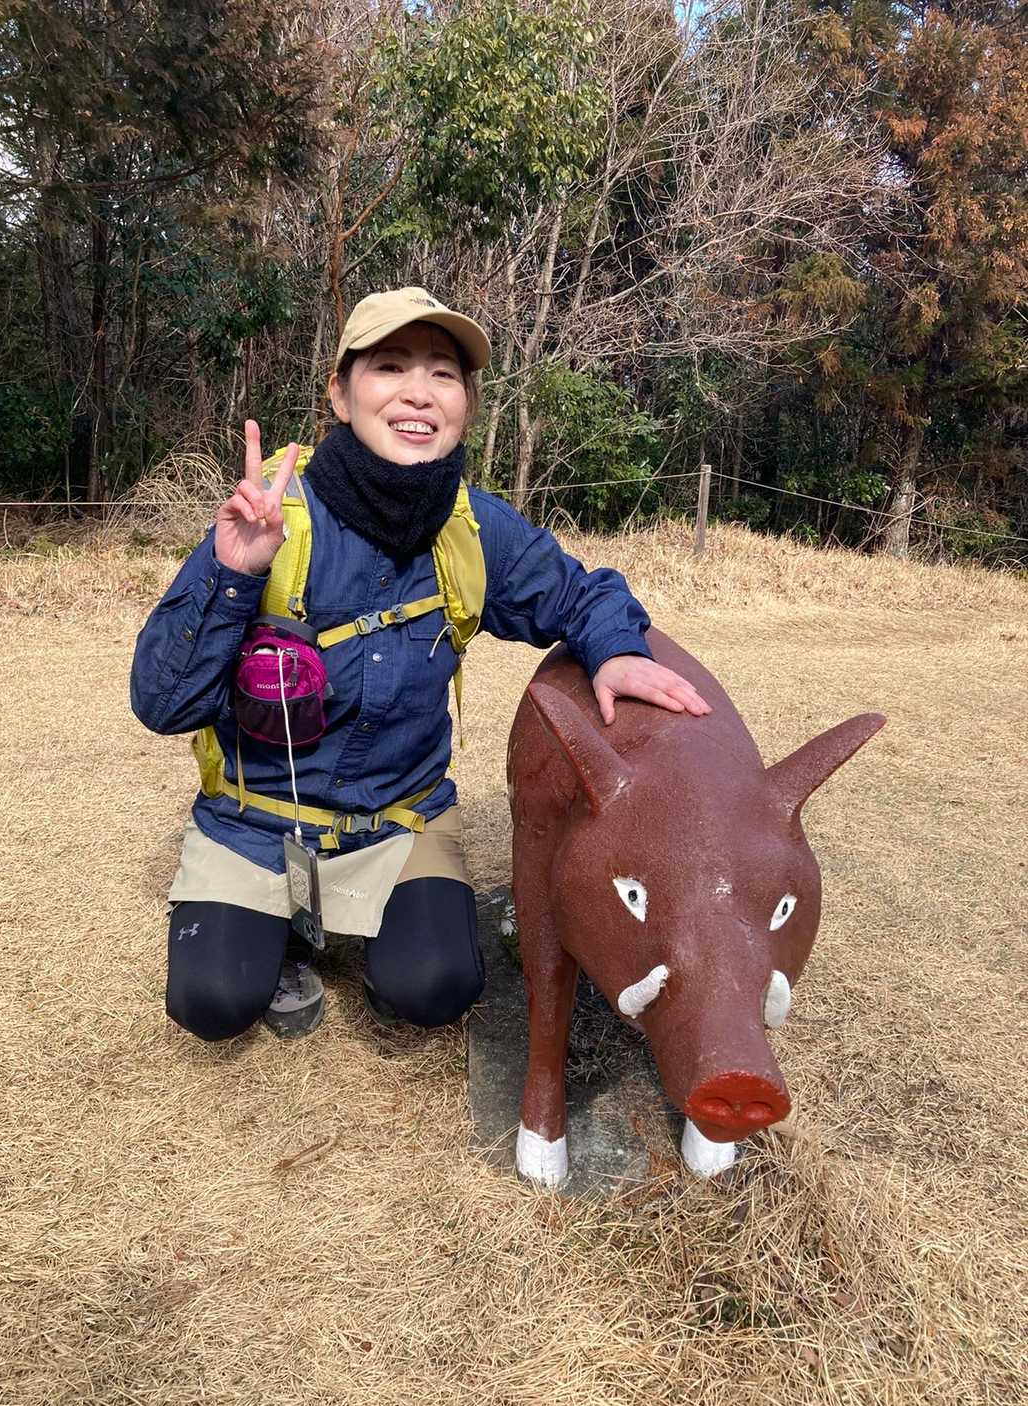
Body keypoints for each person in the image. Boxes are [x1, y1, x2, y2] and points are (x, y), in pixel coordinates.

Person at [131, 287, 710, 1044]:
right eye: (390, 367)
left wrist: (617, 650)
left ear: (466, 403)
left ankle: (379, 941)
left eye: (443, 373)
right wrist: (233, 571)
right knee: (212, 1001)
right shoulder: (275, 518)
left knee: (437, 987)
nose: (418, 392)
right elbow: (163, 703)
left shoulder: (474, 527)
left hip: (399, 822)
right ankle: (285, 938)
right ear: (340, 394)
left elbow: (581, 594)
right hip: (255, 822)